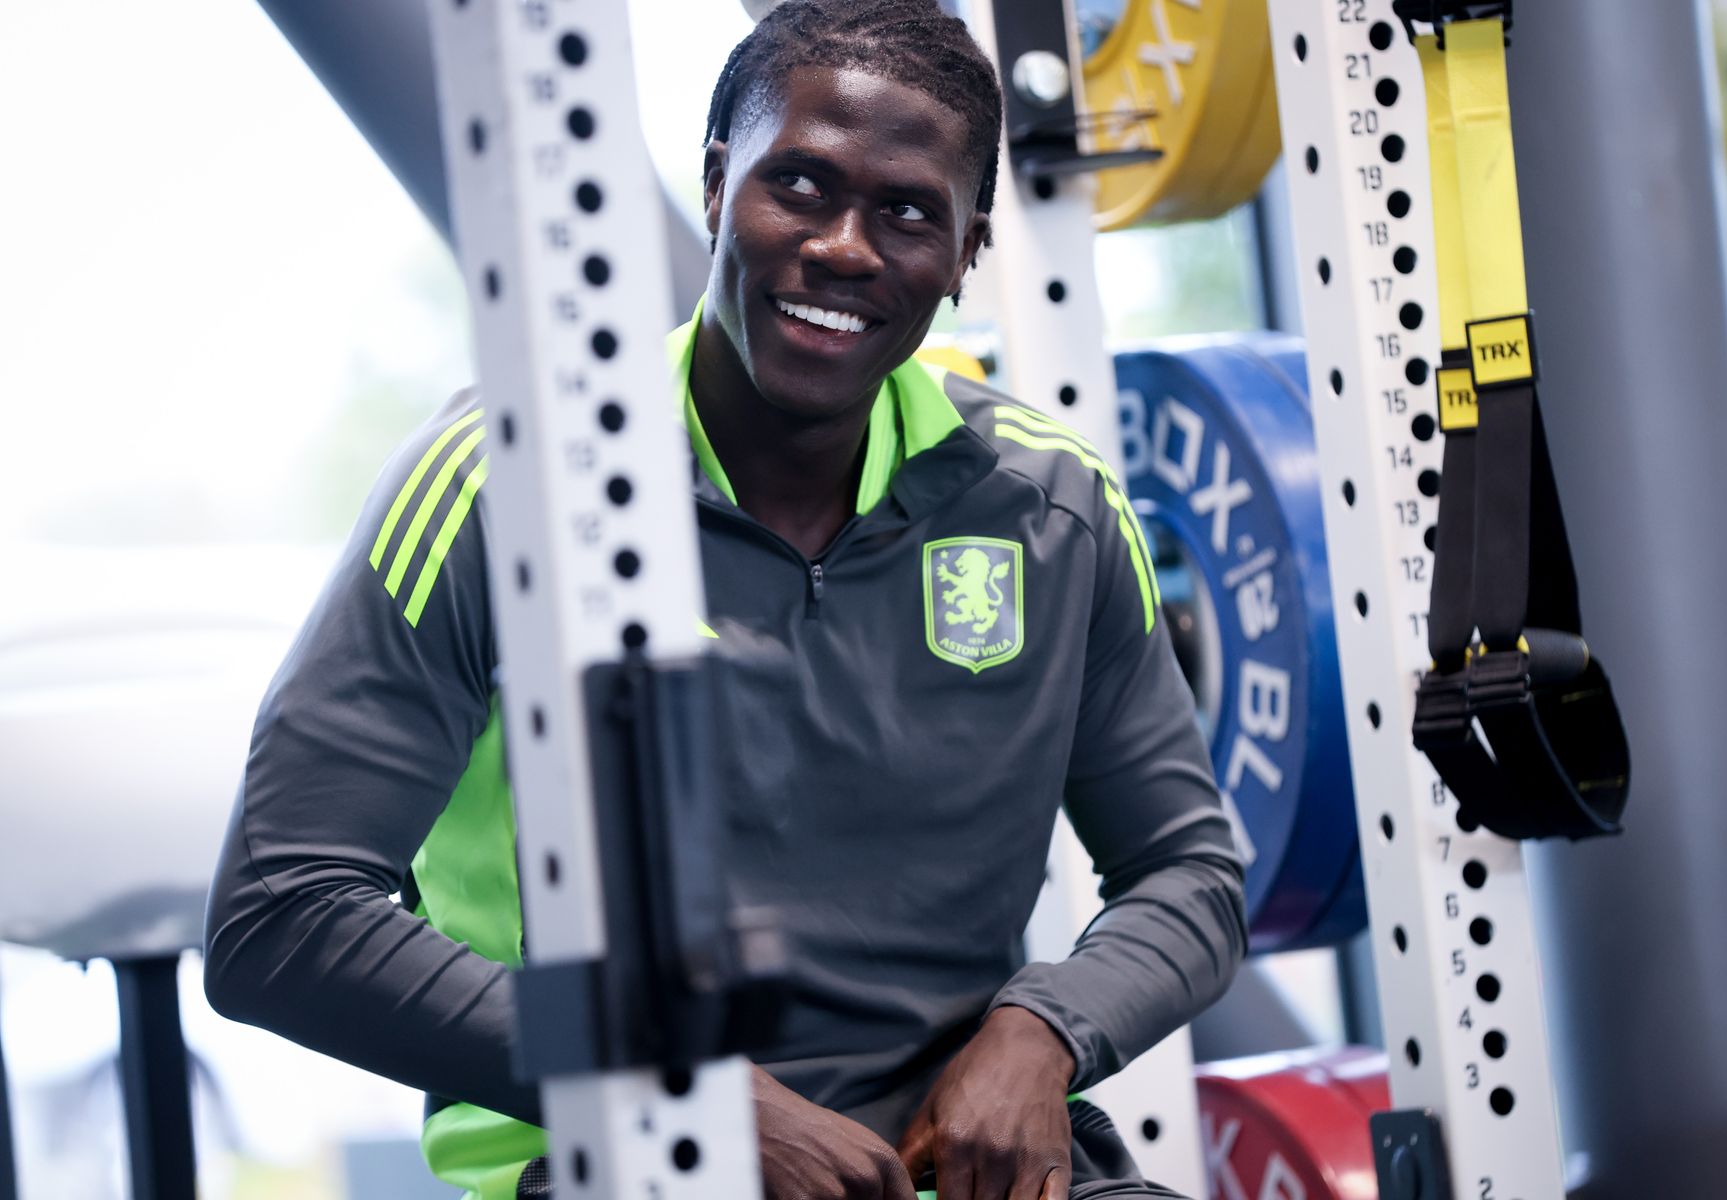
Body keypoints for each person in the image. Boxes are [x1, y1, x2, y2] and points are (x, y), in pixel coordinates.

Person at [203, 2, 1247, 1198]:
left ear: (968, 255)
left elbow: (1191, 876)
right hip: (604, 1161)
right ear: (715, 187)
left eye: (908, 211)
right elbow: (277, 918)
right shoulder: (506, 482)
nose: (846, 247)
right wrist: (668, 1086)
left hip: (944, 1171)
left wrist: (1042, 1032)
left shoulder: (1049, 506)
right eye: (800, 185)